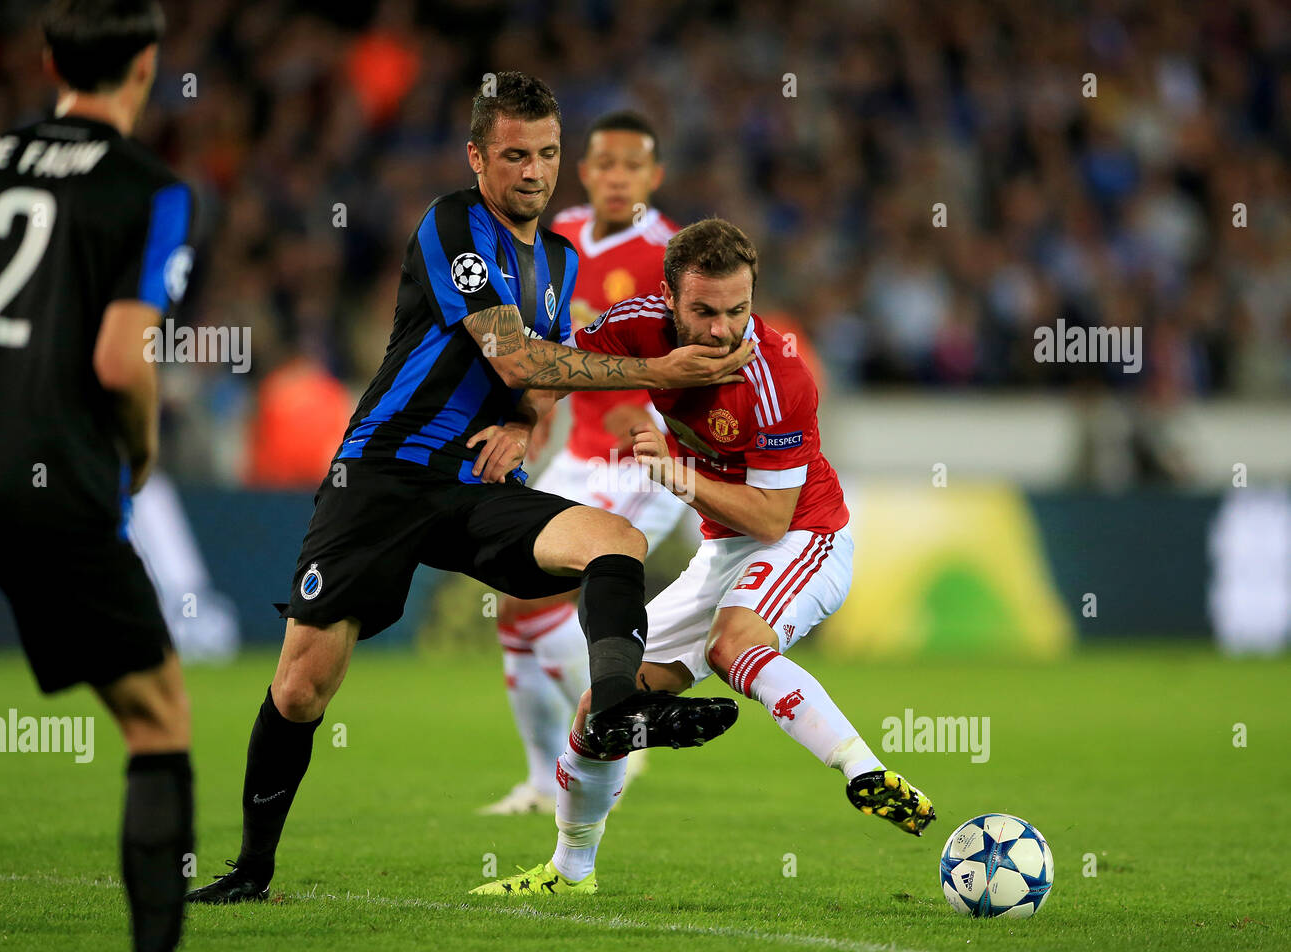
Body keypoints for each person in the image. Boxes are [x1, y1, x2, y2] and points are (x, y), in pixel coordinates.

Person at [187, 73, 754, 904]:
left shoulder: (557, 260)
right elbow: (516, 356)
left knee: (617, 541)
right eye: (515, 154)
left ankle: (614, 710)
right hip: (382, 475)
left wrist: (526, 426)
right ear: (478, 157)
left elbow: (541, 382)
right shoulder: (453, 224)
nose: (534, 171)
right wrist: (657, 367)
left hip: (474, 482)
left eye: (548, 154)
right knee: (304, 684)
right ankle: (251, 869)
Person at [472, 219, 935, 896]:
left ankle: (863, 770)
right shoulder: (636, 324)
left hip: (804, 539)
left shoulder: (780, 378)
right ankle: (570, 873)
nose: (723, 331)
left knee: (731, 645)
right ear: (667, 299)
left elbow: (771, 517)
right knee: (602, 713)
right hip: (723, 550)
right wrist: (521, 422)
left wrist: (677, 477)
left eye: (737, 311)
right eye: (705, 312)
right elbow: (553, 370)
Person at [0, 0, 195, 952]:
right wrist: (141, 449)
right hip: (53, 474)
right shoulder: (147, 189)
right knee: (156, 718)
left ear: (48, 58)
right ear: (148, 65)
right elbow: (120, 361)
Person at [483, 110, 689, 815]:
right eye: (605, 164)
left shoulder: (670, 255)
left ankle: (612, 736)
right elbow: (549, 342)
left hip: (643, 459)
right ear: (585, 169)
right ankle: (544, 779)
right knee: (514, 609)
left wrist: (661, 414)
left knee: (544, 604)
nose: (616, 177)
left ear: (653, 177)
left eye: (633, 167)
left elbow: (691, 361)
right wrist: (531, 413)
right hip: (578, 451)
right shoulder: (559, 235)